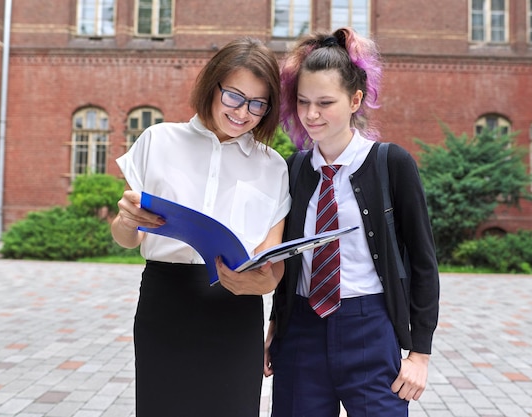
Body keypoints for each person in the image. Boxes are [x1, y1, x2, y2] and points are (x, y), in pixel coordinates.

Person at [110, 37, 291, 417]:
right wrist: (126, 220)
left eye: (258, 104)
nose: (244, 113)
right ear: (212, 86)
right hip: (166, 302)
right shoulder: (158, 141)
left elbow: (271, 260)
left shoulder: (272, 165)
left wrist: (265, 282)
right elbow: (127, 238)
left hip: (235, 309)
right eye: (234, 97)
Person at [264, 27, 440, 417]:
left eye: (325, 102)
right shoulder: (292, 170)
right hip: (301, 330)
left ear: (355, 99)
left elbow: (424, 261)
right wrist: (276, 325)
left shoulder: (391, 164)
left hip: (369, 327)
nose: (311, 114)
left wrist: (420, 355)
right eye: (304, 101)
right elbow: (288, 257)